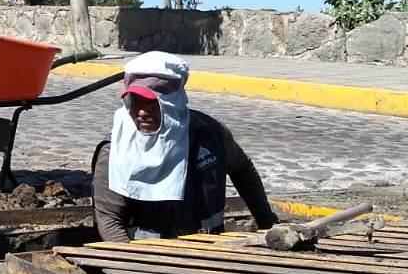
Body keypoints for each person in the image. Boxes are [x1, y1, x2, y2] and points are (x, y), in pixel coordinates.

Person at [92, 51, 277, 242]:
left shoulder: (209, 133)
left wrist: (268, 226)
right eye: (135, 101)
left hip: (209, 248)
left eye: (151, 103)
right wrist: (133, 265)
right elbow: (110, 221)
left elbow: (243, 170)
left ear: (172, 103)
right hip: (148, 255)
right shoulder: (116, 149)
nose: (142, 112)